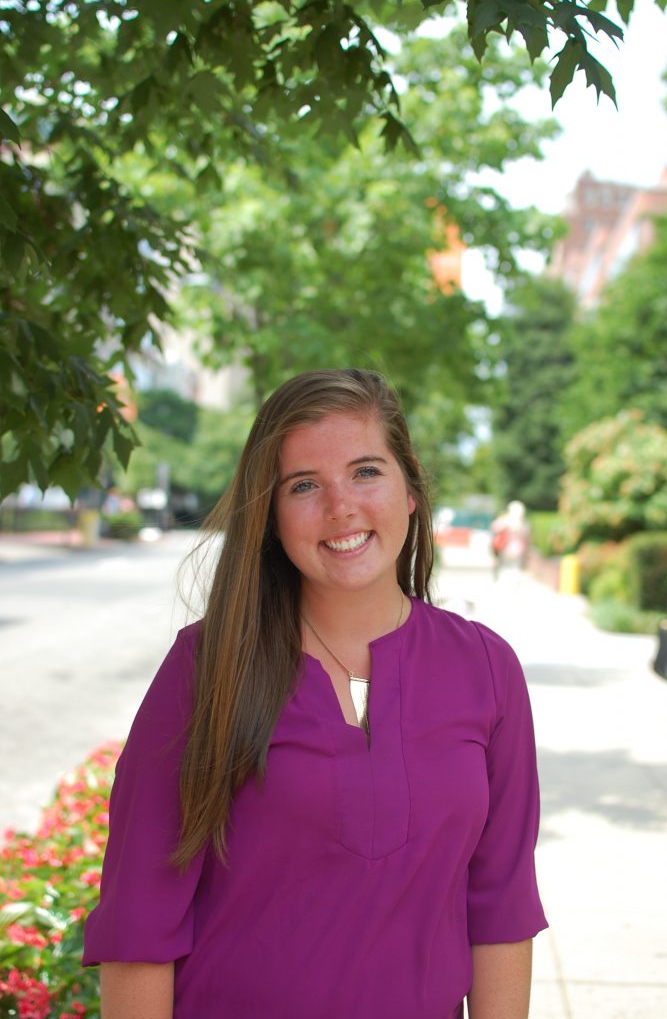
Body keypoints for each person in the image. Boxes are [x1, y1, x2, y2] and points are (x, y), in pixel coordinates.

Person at [83, 368, 547, 1018]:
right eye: (303, 485)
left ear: (411, 489)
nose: (341, 507)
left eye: (366, 472)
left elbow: (500, 907)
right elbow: (140, 919)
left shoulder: (486, 669)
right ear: (270, 516)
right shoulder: (208, 666)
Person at [491, 500, 530, 578]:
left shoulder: (505, 521)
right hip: (519, 550)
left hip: (505, 548)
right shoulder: (524, 524)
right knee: (515, 569)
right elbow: (527, 539)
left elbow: (494, 527)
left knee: (504, 568)